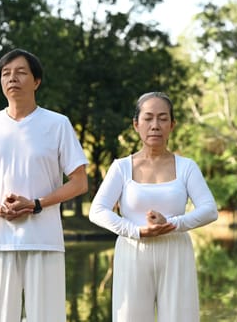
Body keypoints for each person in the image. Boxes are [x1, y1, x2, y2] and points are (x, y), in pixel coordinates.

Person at [0, 48, 88, 321]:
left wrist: (37, 204)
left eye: (20, 72)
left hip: (45, 241)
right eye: (6, 74)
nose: (12, 78)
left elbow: (79, 182)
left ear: (36, 81)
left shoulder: (58, 124)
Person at [89, 91, 218, 322]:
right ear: (136, 124)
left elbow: (209, 209)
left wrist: (172, 224)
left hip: (176, 251)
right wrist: (136, 231)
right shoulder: (121, 167)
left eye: (162, 118)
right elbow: (97, 211)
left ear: (172, 125)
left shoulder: (187, 167)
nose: (155, 125)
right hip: (132, 251)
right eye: (148, 118)